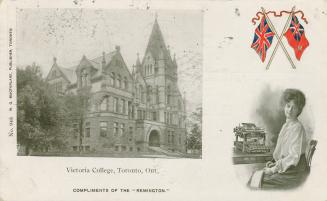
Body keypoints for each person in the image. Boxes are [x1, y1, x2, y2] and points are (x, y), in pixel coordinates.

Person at [260, 88, 309, 189]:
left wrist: (273, 169)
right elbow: (283, 151)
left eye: (294, 108)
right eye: (288, 106)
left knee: (262, 181)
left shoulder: (297, 127)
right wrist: (274, 162)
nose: (290, 110)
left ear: (299, 110)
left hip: (295, 170)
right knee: (258, 178)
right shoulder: (286, 125)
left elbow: (293, 157)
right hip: (288, 167)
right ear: (284, 106)